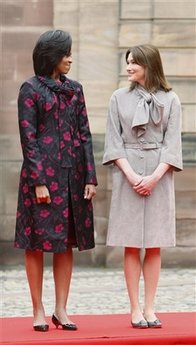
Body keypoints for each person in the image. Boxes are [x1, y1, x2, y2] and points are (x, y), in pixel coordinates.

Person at [14, 30, 97, 332]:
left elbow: (84, 135)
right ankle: (38, 309)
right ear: (51, 55)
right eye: (66, 54)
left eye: (71, 53)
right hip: (41, 179)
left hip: (72, 178)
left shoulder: (75, 89)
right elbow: (29, 137)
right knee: (35, 244)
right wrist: (38, 181)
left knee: (65, 244)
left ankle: (61, 309)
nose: (70, 59)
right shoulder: (30, 89)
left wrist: (90, 176)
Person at [103, 44, 182, 328]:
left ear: (149, 64)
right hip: (127, 175)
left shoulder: (171, 99)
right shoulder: (117, 98)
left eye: (134, 62)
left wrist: (154, 177)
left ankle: (150, 308)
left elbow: (173, 146)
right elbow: (114, 143)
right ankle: (134, 309)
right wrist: (132, 175)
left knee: (155, 245)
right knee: (131, 244)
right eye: (127, 62)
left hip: (160, 176)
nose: (129, 67)